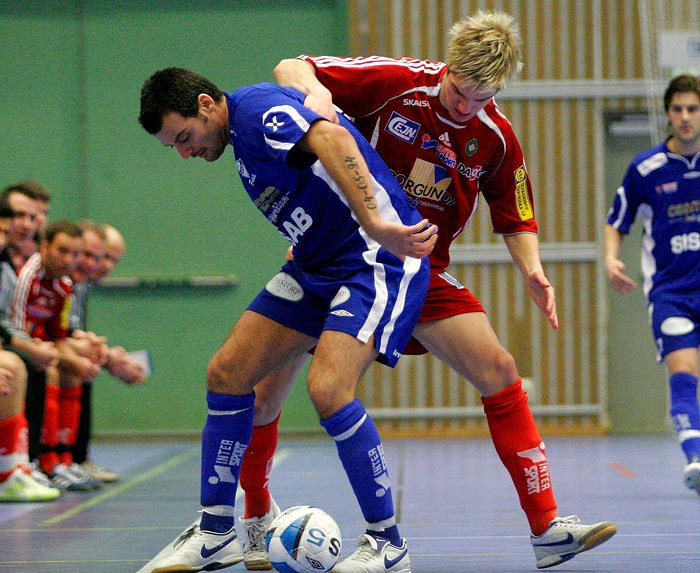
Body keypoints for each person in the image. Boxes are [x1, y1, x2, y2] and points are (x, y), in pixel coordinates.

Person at [232, 10, 619, 572]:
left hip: (420, 270)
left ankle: (547, 529)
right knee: (265, 393)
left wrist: (532, 270)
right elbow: (294, 66)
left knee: (500, 370)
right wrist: (315, 98)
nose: (464, 106)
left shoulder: (496, 136)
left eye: (479, 97)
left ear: (498, 89)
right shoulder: (397, 81)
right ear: (448, 67)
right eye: (458, 90)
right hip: (340, 255)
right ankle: (256, 521)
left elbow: (516, 215)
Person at [138, 66, 437, 573]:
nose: (185, 153)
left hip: (373, 258)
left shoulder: (254, 113)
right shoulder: (240, 140)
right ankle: (216, 533)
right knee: (227, 374)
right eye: (175, 147)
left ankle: (388, 544)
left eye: (185, 138)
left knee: (328, 389)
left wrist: (376, 223)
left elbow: (332, 138)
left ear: (208, 105)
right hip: (315, 266)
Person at [605, 73, 700, 496]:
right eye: (678, 109)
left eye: (693, 109)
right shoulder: (645, 168)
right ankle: (695, 459)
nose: (685, 117)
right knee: (683, 374)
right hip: (671, 294)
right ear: (667, 113)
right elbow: (616, 221)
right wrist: (611, 258)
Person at [11, 219, 102, 491]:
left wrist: (78, 362)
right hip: (19, 345)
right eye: (62, 251)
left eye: (75, 253)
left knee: (73, 371)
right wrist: (54, 353)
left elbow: (58, 338)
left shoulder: (63, 286)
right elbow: (14, 329)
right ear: (45, 246)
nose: (69, 260)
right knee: (50, 369)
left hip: (41, 347)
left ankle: (66, 460)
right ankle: (43, 460)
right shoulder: (27, 276)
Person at [69, 220, 147, 483]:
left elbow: (71, 331)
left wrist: (104, 353)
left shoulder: (81, 284)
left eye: (108, 259)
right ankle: (58, 459)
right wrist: (108, 357)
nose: (104, 266)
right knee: (76, 365)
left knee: (83, 362)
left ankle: (75, 459)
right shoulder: (64, 280)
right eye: (94, 256)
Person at [0, 200, 59, 503]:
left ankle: (19, 467)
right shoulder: (22, 270)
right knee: (15, 364)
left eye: (32, 217)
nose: (24, 224)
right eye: (16, 217)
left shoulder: (6, 264)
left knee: (21, 364)